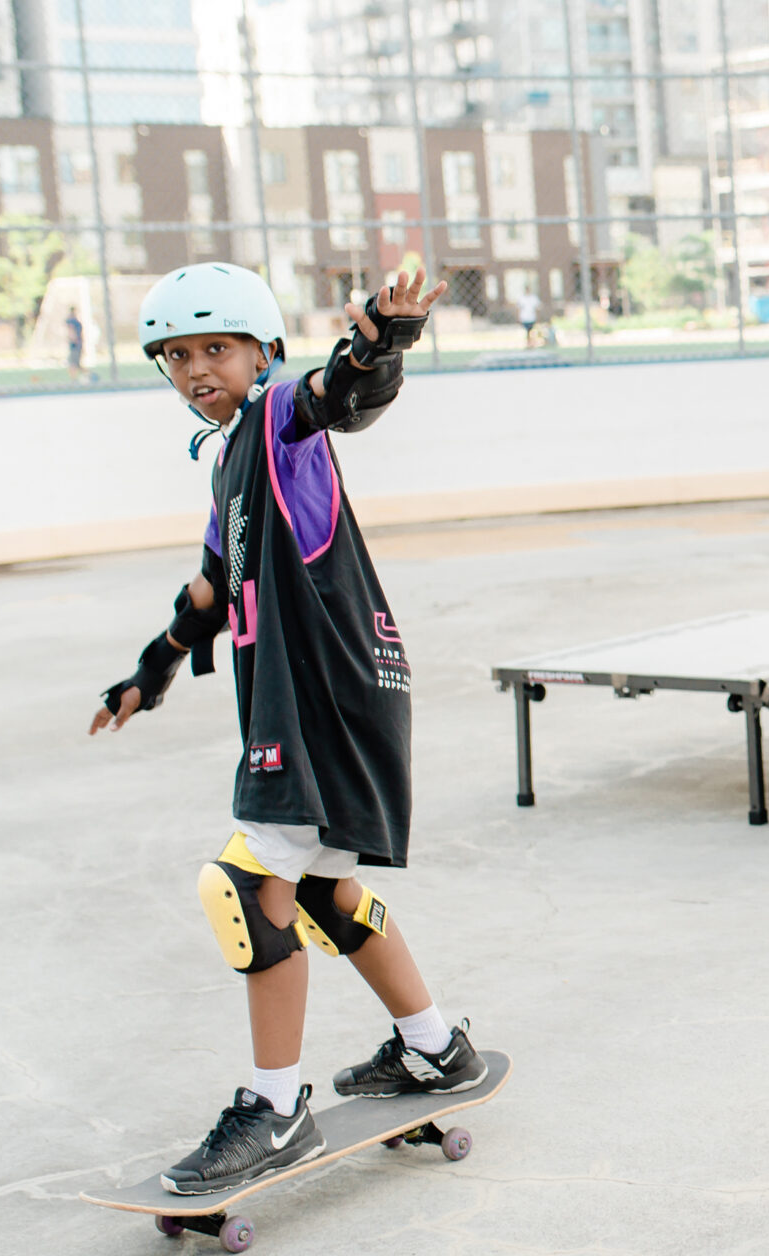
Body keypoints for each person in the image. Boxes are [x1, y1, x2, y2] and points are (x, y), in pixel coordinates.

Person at [89, 262, 487, 1198]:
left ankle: (275, 1110)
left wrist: (378, 343)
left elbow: (337, 396)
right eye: (176, 356)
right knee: (319, 890)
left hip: (320, 701)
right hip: (337, 698)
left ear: (263, 350)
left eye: (216, 348)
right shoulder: (232, 461)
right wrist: (150, 672)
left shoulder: (275, 420)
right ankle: (435, 1048)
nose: (196, 369)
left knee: (243, 884)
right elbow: (209, 591)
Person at [64, 306, 88, 381]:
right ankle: (86, 376)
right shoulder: (72, 321)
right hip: (76, 344)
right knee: (75, 363)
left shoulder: (73, 321)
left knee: (73, 363)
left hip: (75, 344)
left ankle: (74, 379)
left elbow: (71, 331)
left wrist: (74, 340)